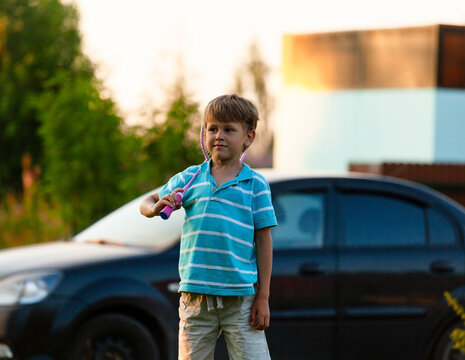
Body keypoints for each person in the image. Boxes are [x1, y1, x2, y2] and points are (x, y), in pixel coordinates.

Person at [139, 94, 277, 360]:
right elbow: (147, 202)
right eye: (212, 128)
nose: (219, 135)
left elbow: (264, 241)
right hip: (195, 299)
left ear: (249, 136)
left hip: (240, 300)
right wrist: (154, 208)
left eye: (229, 129)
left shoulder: (255, 185)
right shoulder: (190, 178)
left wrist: (263, 297)